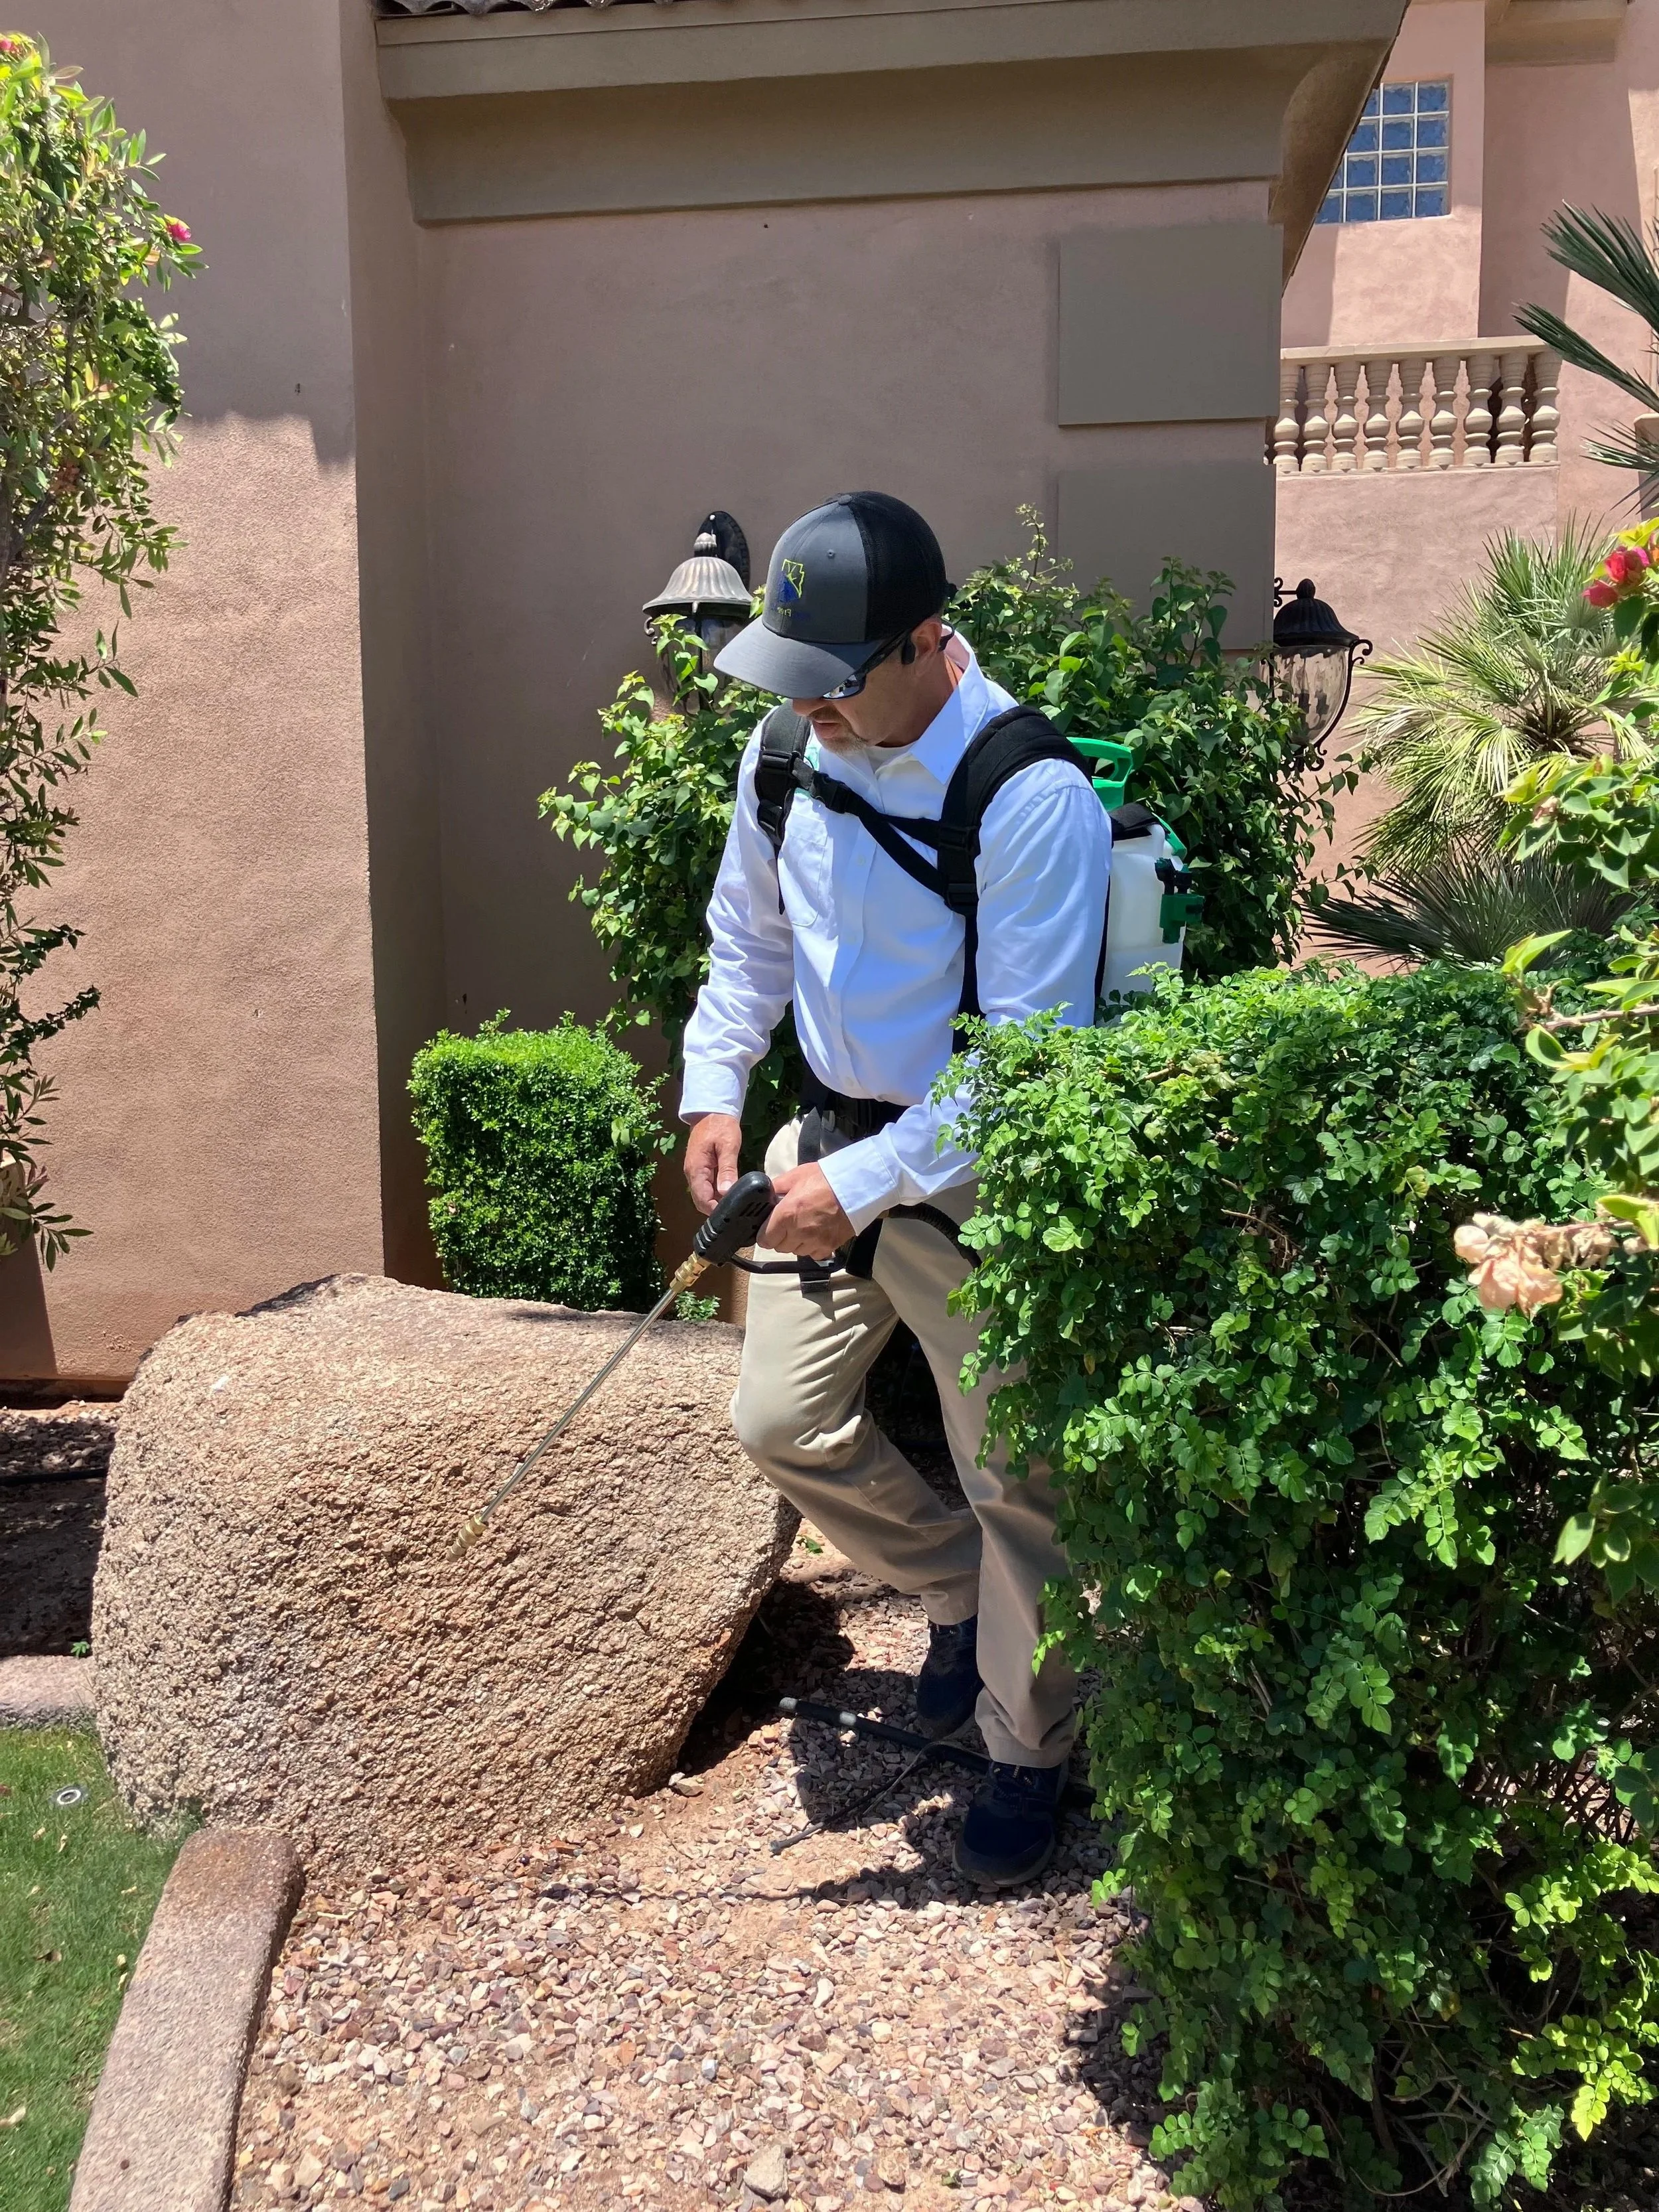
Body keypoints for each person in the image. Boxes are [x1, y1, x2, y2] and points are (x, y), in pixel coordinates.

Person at [680, 491, 1111, 1885]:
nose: (808, 712)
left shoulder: (1025, 792)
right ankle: (942, 1593)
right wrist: (714, 1082)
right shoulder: (786, 745)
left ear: (928, 642)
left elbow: (1028, 1060)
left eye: (836, 684)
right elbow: (743, 939)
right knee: (778, 1419)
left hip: (965, 1182)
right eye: (790, 683)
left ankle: (1028, 1750)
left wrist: (857, 1187)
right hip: (824, 1141)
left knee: (1018, 1489)